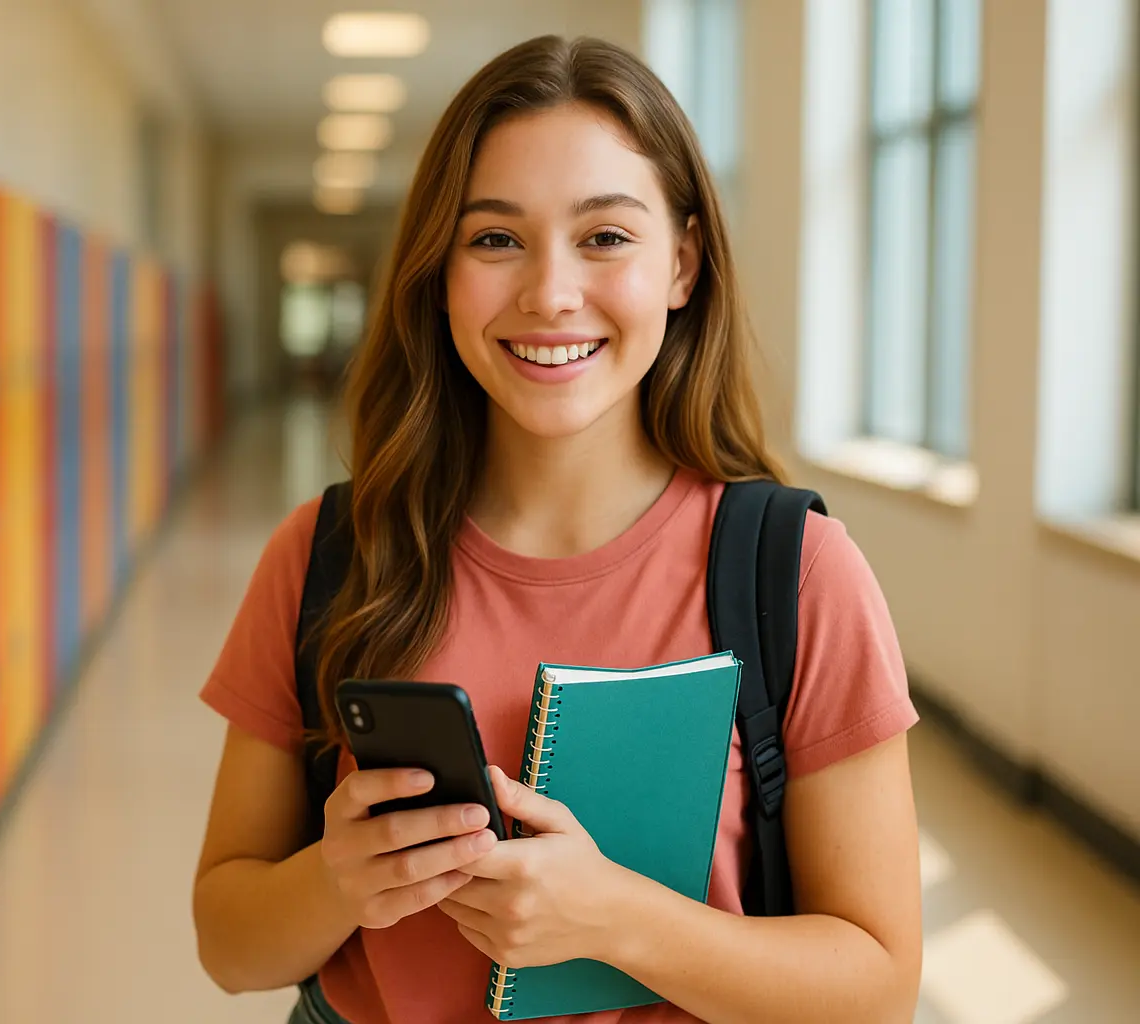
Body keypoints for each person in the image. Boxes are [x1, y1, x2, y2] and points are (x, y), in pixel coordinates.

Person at [192, 33, 923, 1024]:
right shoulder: (330, 554)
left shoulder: (792, 573)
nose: (549, 293)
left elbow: (877, 989)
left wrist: (615, 919)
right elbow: (228, 944)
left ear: (683, 262)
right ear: (440, 270)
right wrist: (336, 879)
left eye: (605, 237)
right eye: (495, 238)